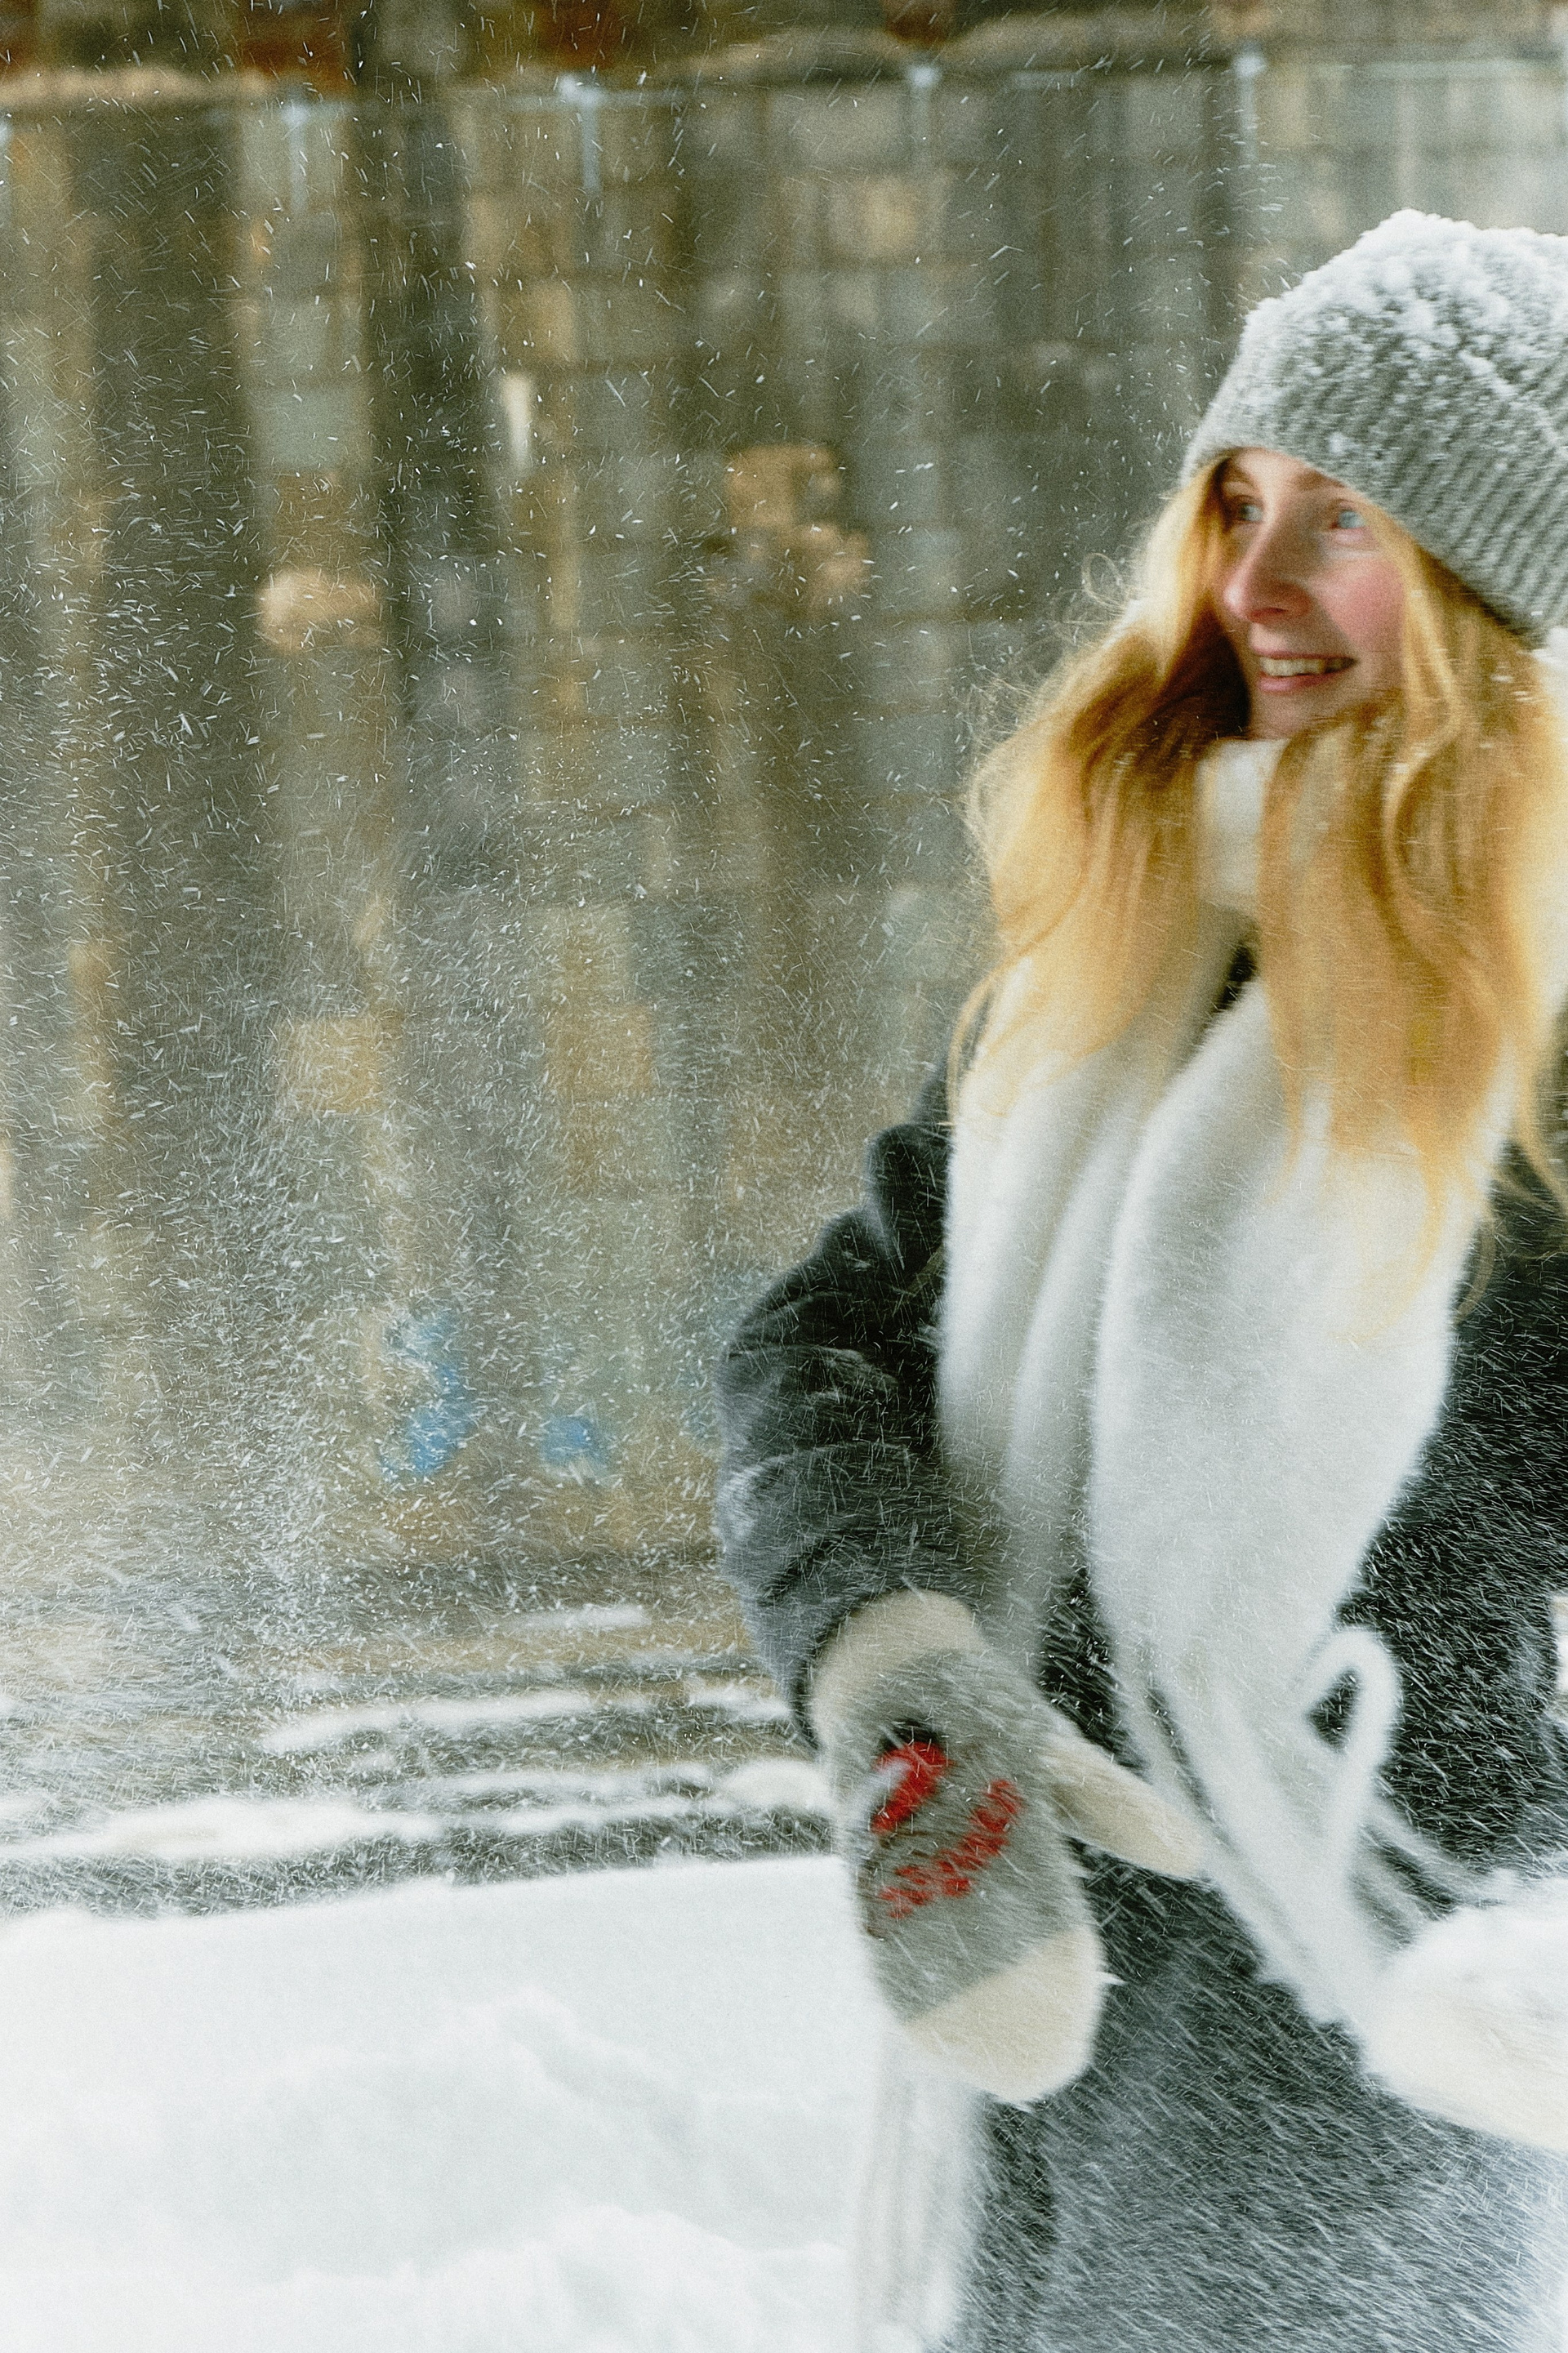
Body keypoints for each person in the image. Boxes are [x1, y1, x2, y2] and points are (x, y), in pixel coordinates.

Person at [714, 212, 1568, 2353]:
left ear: (1496, 598)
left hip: (1366, 2042)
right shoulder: (1127, 960)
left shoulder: (1540, 1051)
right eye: (1237, 506)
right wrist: (901, 1664)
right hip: (1041, 1977)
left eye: (1344, 521)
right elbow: (821, 1345)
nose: (1256, 584)